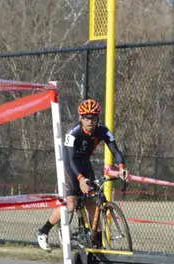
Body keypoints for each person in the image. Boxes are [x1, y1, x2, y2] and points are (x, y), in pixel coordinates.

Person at [36, 98, 128, 250]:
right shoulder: (74, 133)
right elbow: (70, 159)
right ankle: (43, 231)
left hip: (85, 163)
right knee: (71, 204)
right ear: (80, 118)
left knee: (92, 203)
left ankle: (98, 244)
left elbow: (115, 150)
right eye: (86, 117)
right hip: (69, 164)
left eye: (94, 117)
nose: (90, 121)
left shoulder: (103, 130)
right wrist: (80, 179)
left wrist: (122, 167)